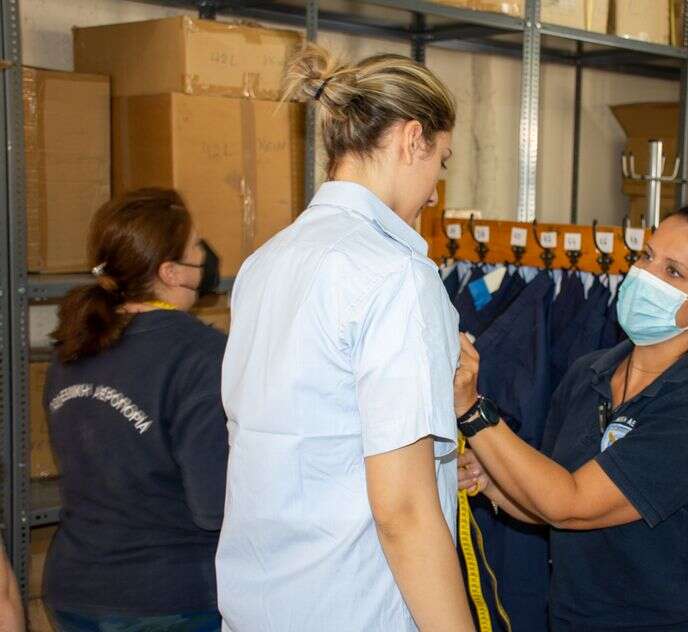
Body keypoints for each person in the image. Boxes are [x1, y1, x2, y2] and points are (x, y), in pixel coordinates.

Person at [215, 45, 473, 631]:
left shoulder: (264, 263)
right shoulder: (395, 275)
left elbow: (306, 442)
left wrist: (435, 467)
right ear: (412, 139)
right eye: (441, 161)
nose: (436, 191)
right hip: (353, 607)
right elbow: (402, 511)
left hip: (263, 606)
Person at [454, 205, 688, 631]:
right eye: (647, 255)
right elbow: (548, 501)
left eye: (673, 272)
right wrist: (493, 481)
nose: (646, 275)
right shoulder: (589, 373)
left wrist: (473, 411)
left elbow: (569, 503)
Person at [43, 188, 227, 631]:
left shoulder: (72, 345)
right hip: (166, 601)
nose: (205, 255)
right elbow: (214, 505)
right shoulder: (200, 354)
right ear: (170, 271)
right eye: (196, 245)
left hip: (74, 590)